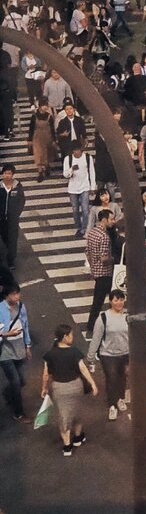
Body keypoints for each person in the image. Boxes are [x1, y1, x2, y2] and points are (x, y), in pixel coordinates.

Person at [41, 322, 97, 457]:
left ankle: (67, 446)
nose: (72, 337)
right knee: (77, 412)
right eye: (71, 335)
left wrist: (44, 388)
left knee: (63, 416)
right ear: (65, 337)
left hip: (59, 388)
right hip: (75, 386)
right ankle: (78, 438)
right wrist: (93, 384)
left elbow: (46, 374)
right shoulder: (74, 352)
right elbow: (83, 369)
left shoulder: (50, 354)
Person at [86, 286, 128, 419]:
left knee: (122, 378)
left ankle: (120, 398)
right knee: (111, 379)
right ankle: (112, 405)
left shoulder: (127, 317)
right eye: (116, 300)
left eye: (121, 300)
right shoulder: (103, 318)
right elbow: (96, 338)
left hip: (125, 353)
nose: (119, 303)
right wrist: (91, 356)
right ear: (110, 301)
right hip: (108, 355)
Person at [0, 282, 32, 421]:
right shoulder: (1, 309)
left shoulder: (21, 307)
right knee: (16, 381)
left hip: (19, 348)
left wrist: (28, 345)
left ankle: (8, 394)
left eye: (18, 293)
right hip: (5, 351)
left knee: (20, 381)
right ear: (7, 295)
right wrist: (8, 334)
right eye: (14, 294)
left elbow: (25, 325)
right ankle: (19, 413)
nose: (17, 296)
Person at [84, 208, 116, 336]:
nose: (113, 221)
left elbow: (87, 252)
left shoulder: (92, 232)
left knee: (104, 299)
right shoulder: (104, 237)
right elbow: (104, 259)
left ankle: (95, 324)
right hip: (105, 273)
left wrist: (93, 265)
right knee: (102, 300)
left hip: (96, 272)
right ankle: (92, 326)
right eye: (111, 219)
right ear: (104, 220)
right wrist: (114, 259)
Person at [64, 141, 96, 239]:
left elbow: (92, 172)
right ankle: (78, 227)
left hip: (84, 186)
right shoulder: (68, 159)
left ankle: (84, 228)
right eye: (74, 151)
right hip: (73, 188)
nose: (76, 152)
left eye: (77, 150)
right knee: (75, 210)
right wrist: (71, 169)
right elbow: (65, 174)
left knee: (85, 209)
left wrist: (93, 187)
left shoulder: (87, 158)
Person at [0, 165, 25, 268]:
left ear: (13, 175)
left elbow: (22, 201)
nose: (7, 176)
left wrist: (16, 213)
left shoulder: (17, 186)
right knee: (4, 237)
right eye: (5, 173)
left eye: (9, 173)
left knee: (12, 239)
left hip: (13, 219)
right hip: (1, 218)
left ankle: (11, 260)